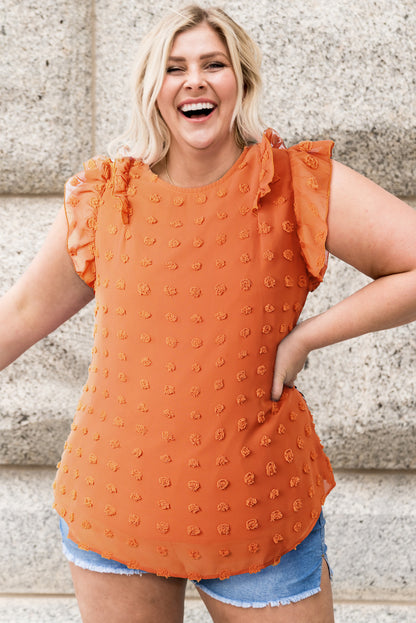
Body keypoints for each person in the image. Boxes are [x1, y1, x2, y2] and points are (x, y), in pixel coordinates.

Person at [1, 4, 415, 623]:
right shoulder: (106, 195)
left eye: (212, 64)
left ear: (239, 81)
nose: (193, 80)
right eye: (174, 68)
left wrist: (305, 339)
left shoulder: (295, 182)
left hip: (258, 509)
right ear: (153, 89)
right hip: (117, 499)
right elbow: (25, 310)